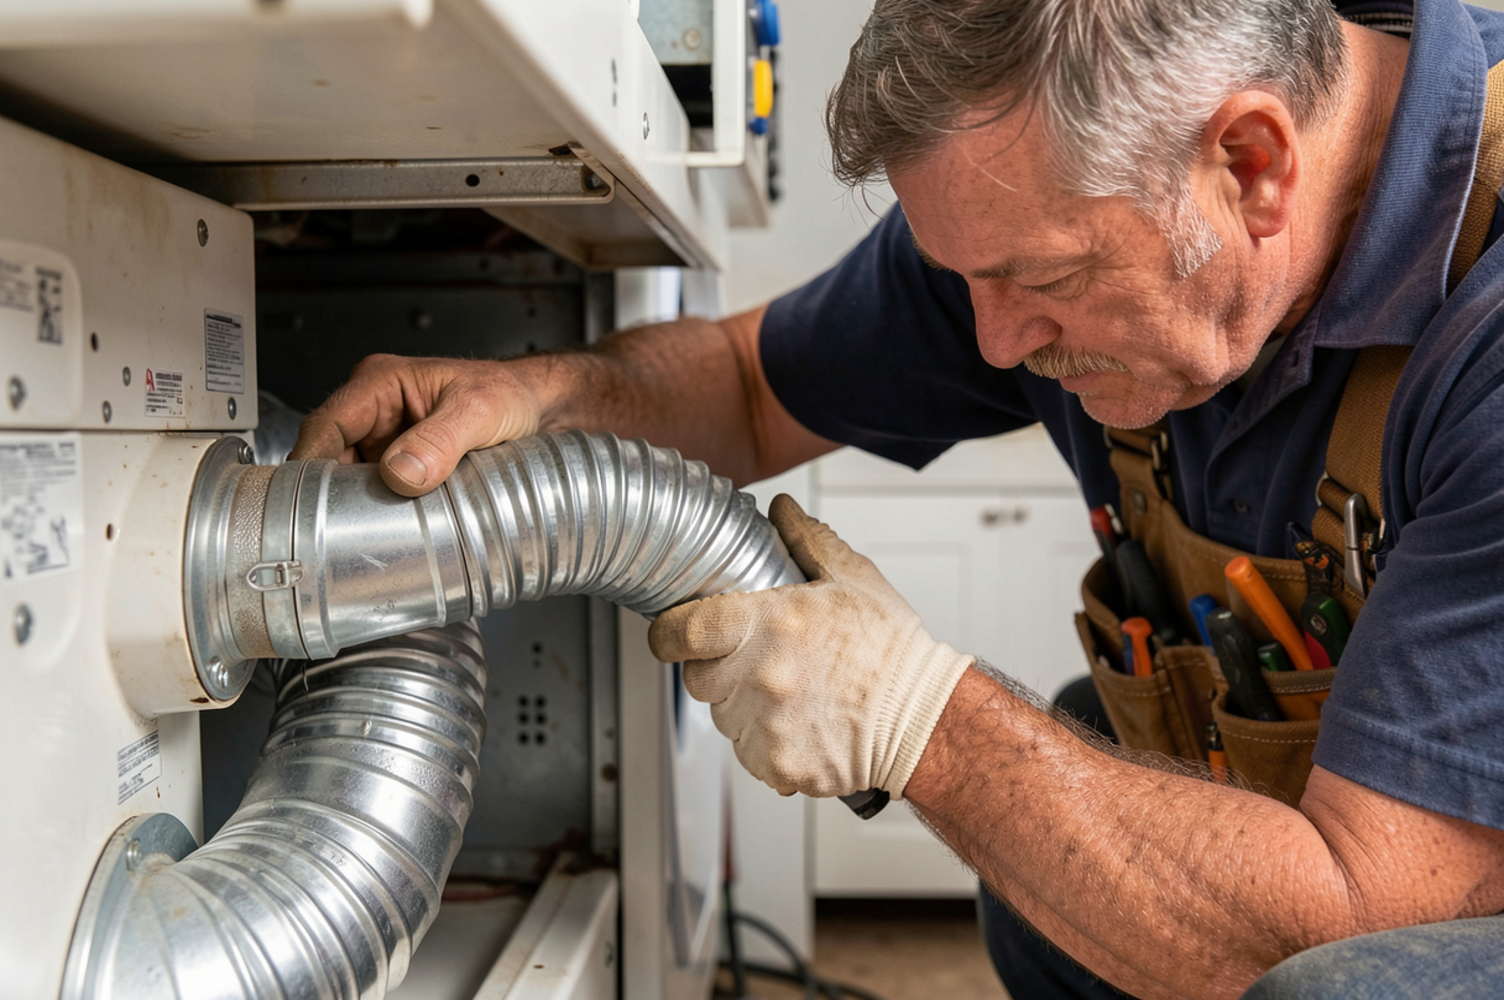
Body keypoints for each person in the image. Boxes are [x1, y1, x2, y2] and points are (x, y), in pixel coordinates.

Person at [292, 0, 1504, 996]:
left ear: (1250, 165)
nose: (990, 341)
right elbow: (748, 387)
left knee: (1338, 985)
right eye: (966, 279)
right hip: (1361, 846)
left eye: (1039, 282)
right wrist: (538, 397)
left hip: (1432, 889)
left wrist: (914, 713)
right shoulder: (1038, 198)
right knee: (1069, 817)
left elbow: (1350, 908)